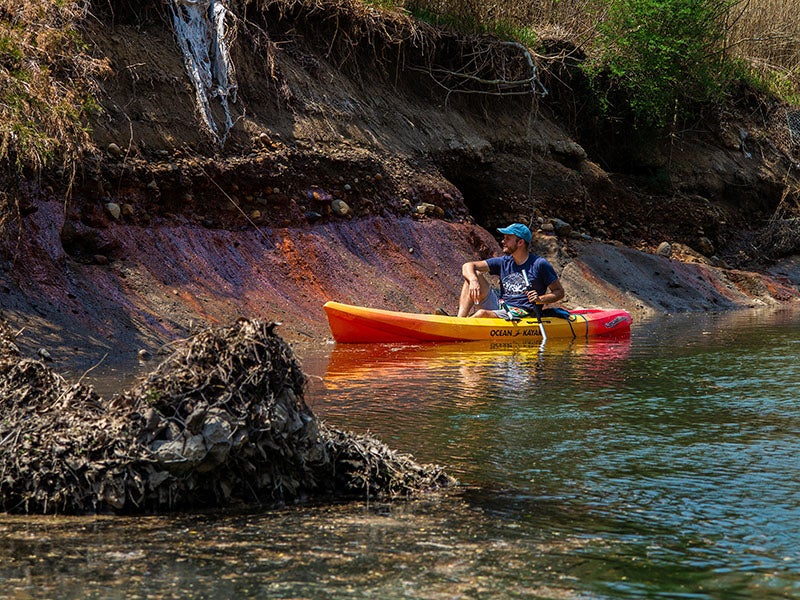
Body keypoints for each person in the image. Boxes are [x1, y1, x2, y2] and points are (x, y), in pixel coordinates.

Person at [457, 223, 565, 319]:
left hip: (523, 312)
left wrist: (540, 299)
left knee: (482, 314)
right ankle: (459, 320)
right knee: (473, 274)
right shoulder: (504, 261)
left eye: (508, 238)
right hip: (502, 306)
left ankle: (460, 329)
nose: (503, 241)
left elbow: (559, 292)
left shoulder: (539, 264)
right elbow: (468, 265)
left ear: (520, 242)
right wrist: (473, 280)